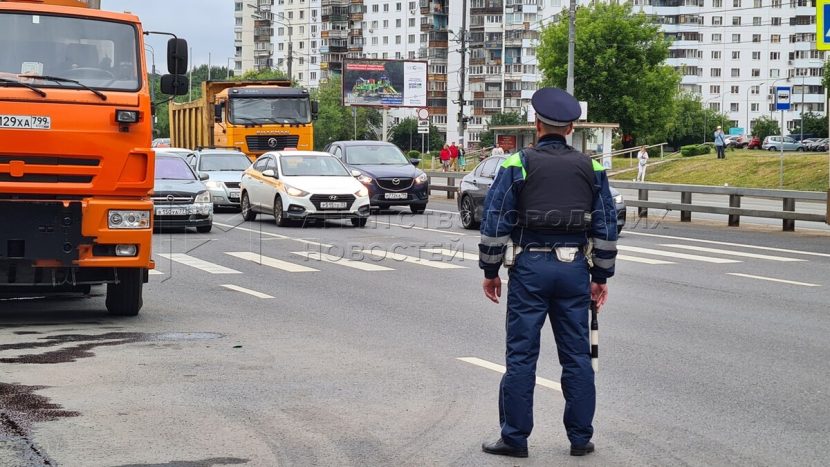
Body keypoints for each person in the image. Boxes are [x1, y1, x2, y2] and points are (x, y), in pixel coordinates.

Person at [478, 87, 618, 459]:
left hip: (530, 268)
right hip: (574, 271)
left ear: (536, 124)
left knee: (522, 355)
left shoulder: (517, 164)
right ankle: (580, 439)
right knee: (576, 355)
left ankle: (515, 438)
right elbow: (606, 226)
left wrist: (491, 269)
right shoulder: (593, 167)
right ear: (571, 127)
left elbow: (496, 219)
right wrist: (600, 277)